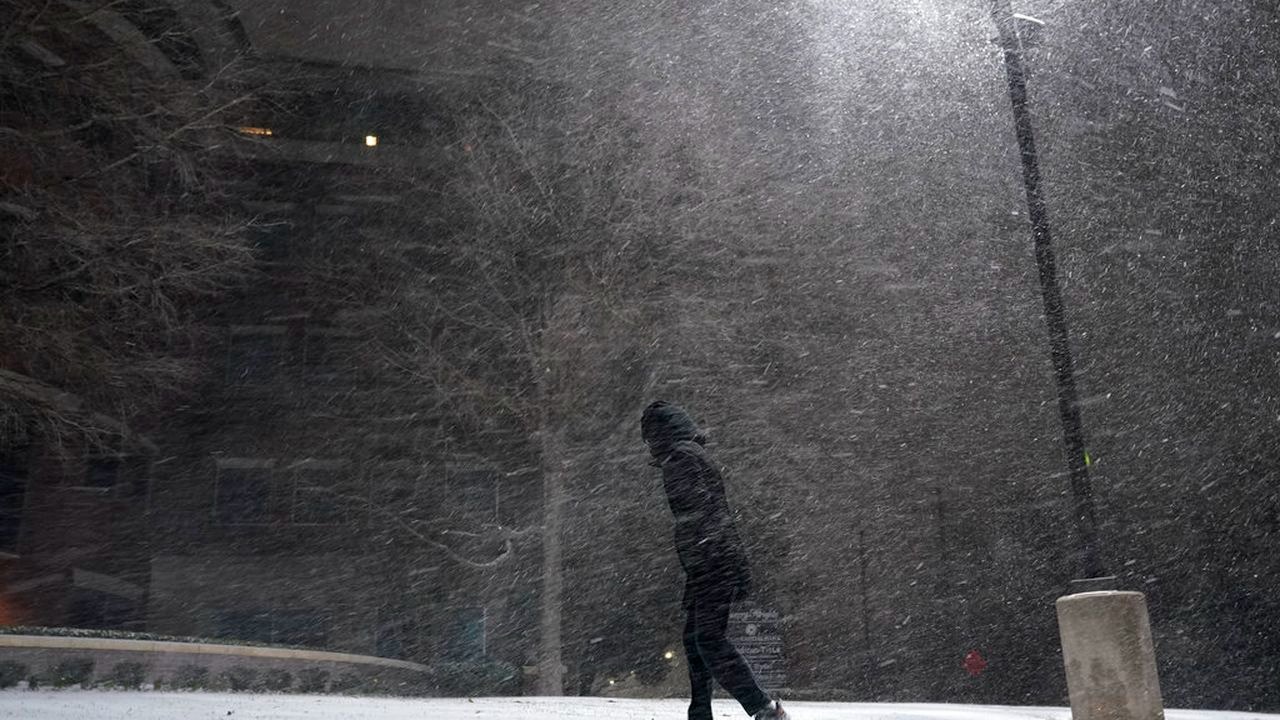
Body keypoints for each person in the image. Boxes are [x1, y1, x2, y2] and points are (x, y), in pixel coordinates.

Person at [641, 400, 788, 720]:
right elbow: (713, 513)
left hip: (710, 560)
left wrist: (702, 550)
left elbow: (697, 512)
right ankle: (700, 712)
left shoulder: (679, 459)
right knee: (694, 639)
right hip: (714, 559)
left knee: (707, 639)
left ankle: (762, 708)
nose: (649, 446)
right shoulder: (694, 455)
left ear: (658, 434)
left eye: (649, 438)